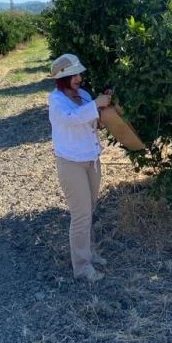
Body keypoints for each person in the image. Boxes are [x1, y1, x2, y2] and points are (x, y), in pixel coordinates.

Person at [48, 54, 112, 282]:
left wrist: (102, 113)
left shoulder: (83, 95)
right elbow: (71, 119)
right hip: (71, 164)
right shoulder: (56, 101)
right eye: (73, 75)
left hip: (91, 160)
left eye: (78, 74)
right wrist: (95, 105)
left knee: (90, 209)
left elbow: (91, 123)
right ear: (62, 79)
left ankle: (89, 253)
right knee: (81, 214)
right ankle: (82, 268)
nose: (79, 78)